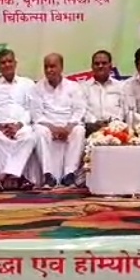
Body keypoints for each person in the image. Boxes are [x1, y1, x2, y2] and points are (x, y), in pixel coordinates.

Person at [30, 53, 87, 189]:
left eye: (53, 66)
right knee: (39, 131)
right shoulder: (37, 88)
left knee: (79, 130)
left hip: (68, 124)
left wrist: (68, 128)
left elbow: (79, 110)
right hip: (47, 125)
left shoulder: (73, 86)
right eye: (46, 67)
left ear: (61, 67)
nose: (49, 70)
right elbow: (37, 115)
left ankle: (69, 174)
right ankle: (48, 175)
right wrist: (53, 128)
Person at [0, 49, 37, 191]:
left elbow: (31, 109)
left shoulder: (27, 84)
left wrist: (19, 124)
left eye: (9, 61)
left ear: (15, 63)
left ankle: (2, 177)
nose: (7, 65)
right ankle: (20, 177)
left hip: (21, 125)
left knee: (30, 138)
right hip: (0, 127)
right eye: (3, 63)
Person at [82, 50, 125, 135]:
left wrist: (115, 122)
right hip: (91, 130)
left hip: (117, 129)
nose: (100, 66)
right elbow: (82, 109)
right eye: (97, 63)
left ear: (110, 66)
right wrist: (95, 122)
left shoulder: (121, 86)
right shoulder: (83, 87)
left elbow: (124, 108)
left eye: (104, 63)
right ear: (92, 66)